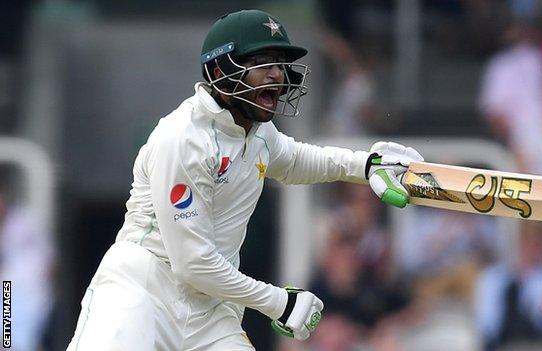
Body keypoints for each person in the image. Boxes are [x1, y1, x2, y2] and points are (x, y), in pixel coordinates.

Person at [66, 9, 423, 351]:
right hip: (143, 292)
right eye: (260, 63)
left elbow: (299, 159)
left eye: (279, 64)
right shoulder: (183, 139)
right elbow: (193, 263)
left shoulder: (260, 133)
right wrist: (277, 301)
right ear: (220, 69)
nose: (276, 75)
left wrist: (364, 165)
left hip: (212, 312)